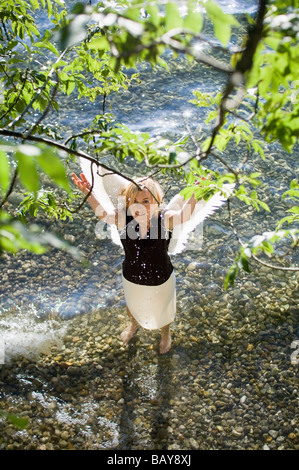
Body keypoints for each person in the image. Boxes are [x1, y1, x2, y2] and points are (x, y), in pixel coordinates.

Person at [72, 172, 197, 354]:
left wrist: (195, 194)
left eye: (146, 201)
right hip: (132, 276)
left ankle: (165, 334)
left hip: (161, 277)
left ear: (157, 200)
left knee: (164, 310)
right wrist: (89, 193)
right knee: (132, 306)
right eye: (134, 201)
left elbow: (183, 215)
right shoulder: (123, 218)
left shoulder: (165, 218)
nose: (140, 207)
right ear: (128, 203)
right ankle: (134, 325)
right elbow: (103, 215)